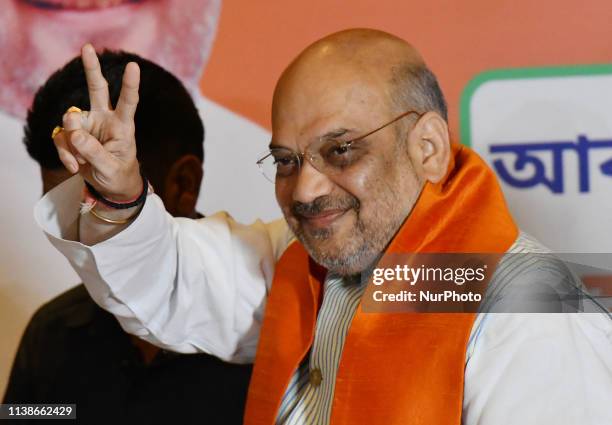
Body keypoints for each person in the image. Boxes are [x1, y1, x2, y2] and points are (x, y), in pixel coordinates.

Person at [37, 30, 612, 424]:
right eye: (286, 161)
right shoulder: (310, 262)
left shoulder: (528, 308)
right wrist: (117, 197)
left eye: (341, 151)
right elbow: (174, 282)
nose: (306, 190)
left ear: (428, 147)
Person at [0, 0, 277, 393]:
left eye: (101, 200)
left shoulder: (279, 327)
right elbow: (28, 417)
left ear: (183, 183)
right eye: (60, 215)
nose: (85, 234)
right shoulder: (52, 334)